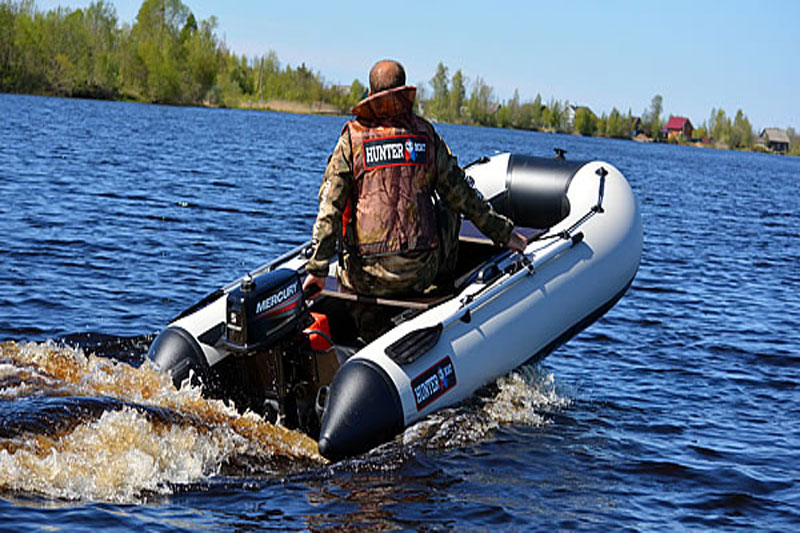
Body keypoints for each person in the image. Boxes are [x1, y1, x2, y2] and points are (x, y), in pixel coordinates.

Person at [303, 59, 526, 299]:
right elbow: (462, 195)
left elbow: (330, 206)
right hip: (420, 273)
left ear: (369, 93)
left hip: (364, 277)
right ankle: (445, 287)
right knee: (450, 207)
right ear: (404, 90)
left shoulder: (352, 139)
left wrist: (317, 269)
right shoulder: (425, 135)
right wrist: (505, 234)